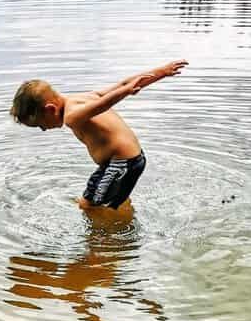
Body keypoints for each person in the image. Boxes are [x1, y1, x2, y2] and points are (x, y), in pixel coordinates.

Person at [10, 60, 188, 210]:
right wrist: (161, 72)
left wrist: (125, 93)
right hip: (134, 160)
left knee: (88, 206)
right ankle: (120, 226)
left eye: (41, 125)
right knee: (113, 202)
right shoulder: (82, 97)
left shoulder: (72, 117)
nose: (43, 129)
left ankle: (99, 249)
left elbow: (105, 103)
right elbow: (125, 83)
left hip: (120, 165)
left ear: (50, 109)